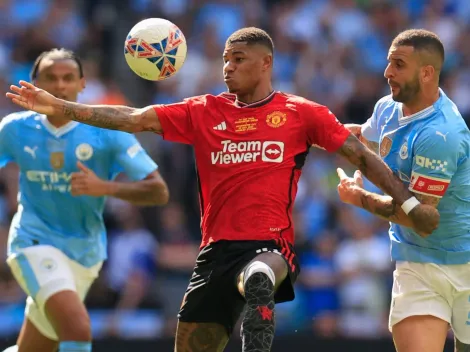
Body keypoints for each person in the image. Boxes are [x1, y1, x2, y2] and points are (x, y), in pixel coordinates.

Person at [6, 28, 439, 352]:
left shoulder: (301, 113)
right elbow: (133, 117)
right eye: (225, 60)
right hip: (215, 250)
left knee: (262, 268)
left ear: (266, 63)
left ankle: (259, 281)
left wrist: (409, 200)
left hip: (269, 242)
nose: (227, 66)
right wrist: (63, 108)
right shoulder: (203, 111)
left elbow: (361, 157)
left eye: (238, 59)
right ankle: (257, 284)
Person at [1, 48, 169, 352]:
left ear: (82, 84)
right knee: (77, 328)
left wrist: (105, 187)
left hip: (85, 256)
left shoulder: (108, 133)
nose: (60, 86)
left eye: (68, 78)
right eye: (50, 78)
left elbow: (159, 192)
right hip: (32, 242)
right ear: (34, 83)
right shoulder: (14, 129)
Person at [337, 29, 470, 352]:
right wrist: (315, 132)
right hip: (416, 264)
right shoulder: (387, 108)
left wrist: (361, 199)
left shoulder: (440, 135)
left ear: (426, 73)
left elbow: (421, 218)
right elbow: (365, 139)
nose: (387, 73)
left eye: (398, 64)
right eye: (388, 63)